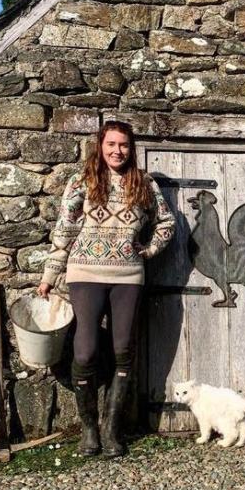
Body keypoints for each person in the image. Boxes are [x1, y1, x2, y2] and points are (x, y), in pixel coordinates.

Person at [37, 119, 175, 457]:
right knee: (84, 351)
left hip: (128, 277)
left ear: (132, 149)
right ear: (101, 145)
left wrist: (148, 250)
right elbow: (64, 230)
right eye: (111, 144)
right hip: (84, 274)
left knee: (123, 349)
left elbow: (167, 223)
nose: (118, 151)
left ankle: (112, 431)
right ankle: (89, 430)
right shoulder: (81, 181)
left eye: (124, 145)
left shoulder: (144, 183)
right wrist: (49, 275)